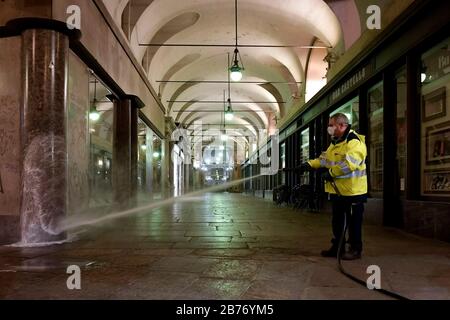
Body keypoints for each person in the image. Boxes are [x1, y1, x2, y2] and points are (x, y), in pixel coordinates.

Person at [298, 113, 368, 260]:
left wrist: (331, 173)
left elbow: (350, 164)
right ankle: (338, 247)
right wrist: (309, 164)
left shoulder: (354, 142)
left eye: (331, 125)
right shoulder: (335, 142)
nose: (329, 128)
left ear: (342, 126)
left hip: (353, 191)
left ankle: (355, 249)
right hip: (337, 191)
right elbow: (324, 160)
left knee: (353, 222)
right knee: (337, 221)